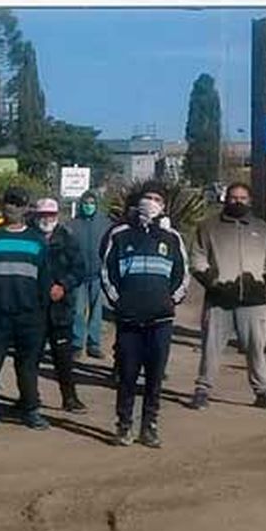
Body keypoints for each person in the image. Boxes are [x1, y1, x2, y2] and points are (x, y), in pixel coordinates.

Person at [101, 185, 189, 448]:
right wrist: (119, 302)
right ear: (137, 203)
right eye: (147, 198)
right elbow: (107, 271)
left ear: (164, 206)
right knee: (127, 376)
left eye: (157, 199)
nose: (151, 203)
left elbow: (183, 274)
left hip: (160, 320)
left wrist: (171, 300)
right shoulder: (120, 235)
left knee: (154, 377)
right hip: (129, 320)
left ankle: (149, 426)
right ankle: (123, 425)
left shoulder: (172, 237)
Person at [188, 182, 266, 410]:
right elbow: (197, 258)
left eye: (242, 198)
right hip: (220, 299)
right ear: (225, 199)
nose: (237, 201)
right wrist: (211, 281)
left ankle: (263, 392)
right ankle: (202, 390)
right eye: (233, 197)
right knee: (211, 348)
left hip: (253, 300)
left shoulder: (262, 228)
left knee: (256, 349)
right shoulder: (209, 227)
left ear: (249, 201)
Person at [0, 187, 54, 431]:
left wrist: (42, 311)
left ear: (27, 208)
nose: (12, 208)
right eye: (9, 202)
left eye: (18, 203)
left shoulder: (37, 241)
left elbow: (45, 278)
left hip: (29, 316)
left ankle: (30, 410)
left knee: (28, 368)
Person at [33, 198, 87, 413]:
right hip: (34, 307)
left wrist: (63, 286)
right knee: (30, 357)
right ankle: (29, 398)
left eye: (51, 214)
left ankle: (70, 398)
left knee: (63, 357)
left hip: (61, 308)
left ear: (57, 215)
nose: (47, 219)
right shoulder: (29, 237)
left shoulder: (68, 238)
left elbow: (79, 270)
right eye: (43, 215)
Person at [65, 191, 112, 358]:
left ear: (97, 205)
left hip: (98, 275)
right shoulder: (71, 225)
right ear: (81, 204)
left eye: (92, 203)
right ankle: (77, 344)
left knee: (96, 312)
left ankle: (94, 344)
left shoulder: (106, 224)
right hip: (78, 276)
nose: (89, 205)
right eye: (86, 203)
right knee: (77, 311)